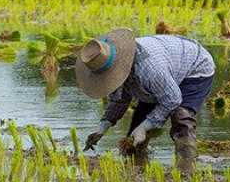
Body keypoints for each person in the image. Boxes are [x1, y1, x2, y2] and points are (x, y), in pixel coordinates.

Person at [75, 28, 215, 174]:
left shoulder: (149, 69)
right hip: (165, 71)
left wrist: (145, 127)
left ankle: (186, 166)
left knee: (181, 115)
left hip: (195, 67)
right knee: (137, 128)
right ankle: (137, 164)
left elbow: (173, 99)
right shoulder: (118, 66)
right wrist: (102, 127)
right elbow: (119, 100)